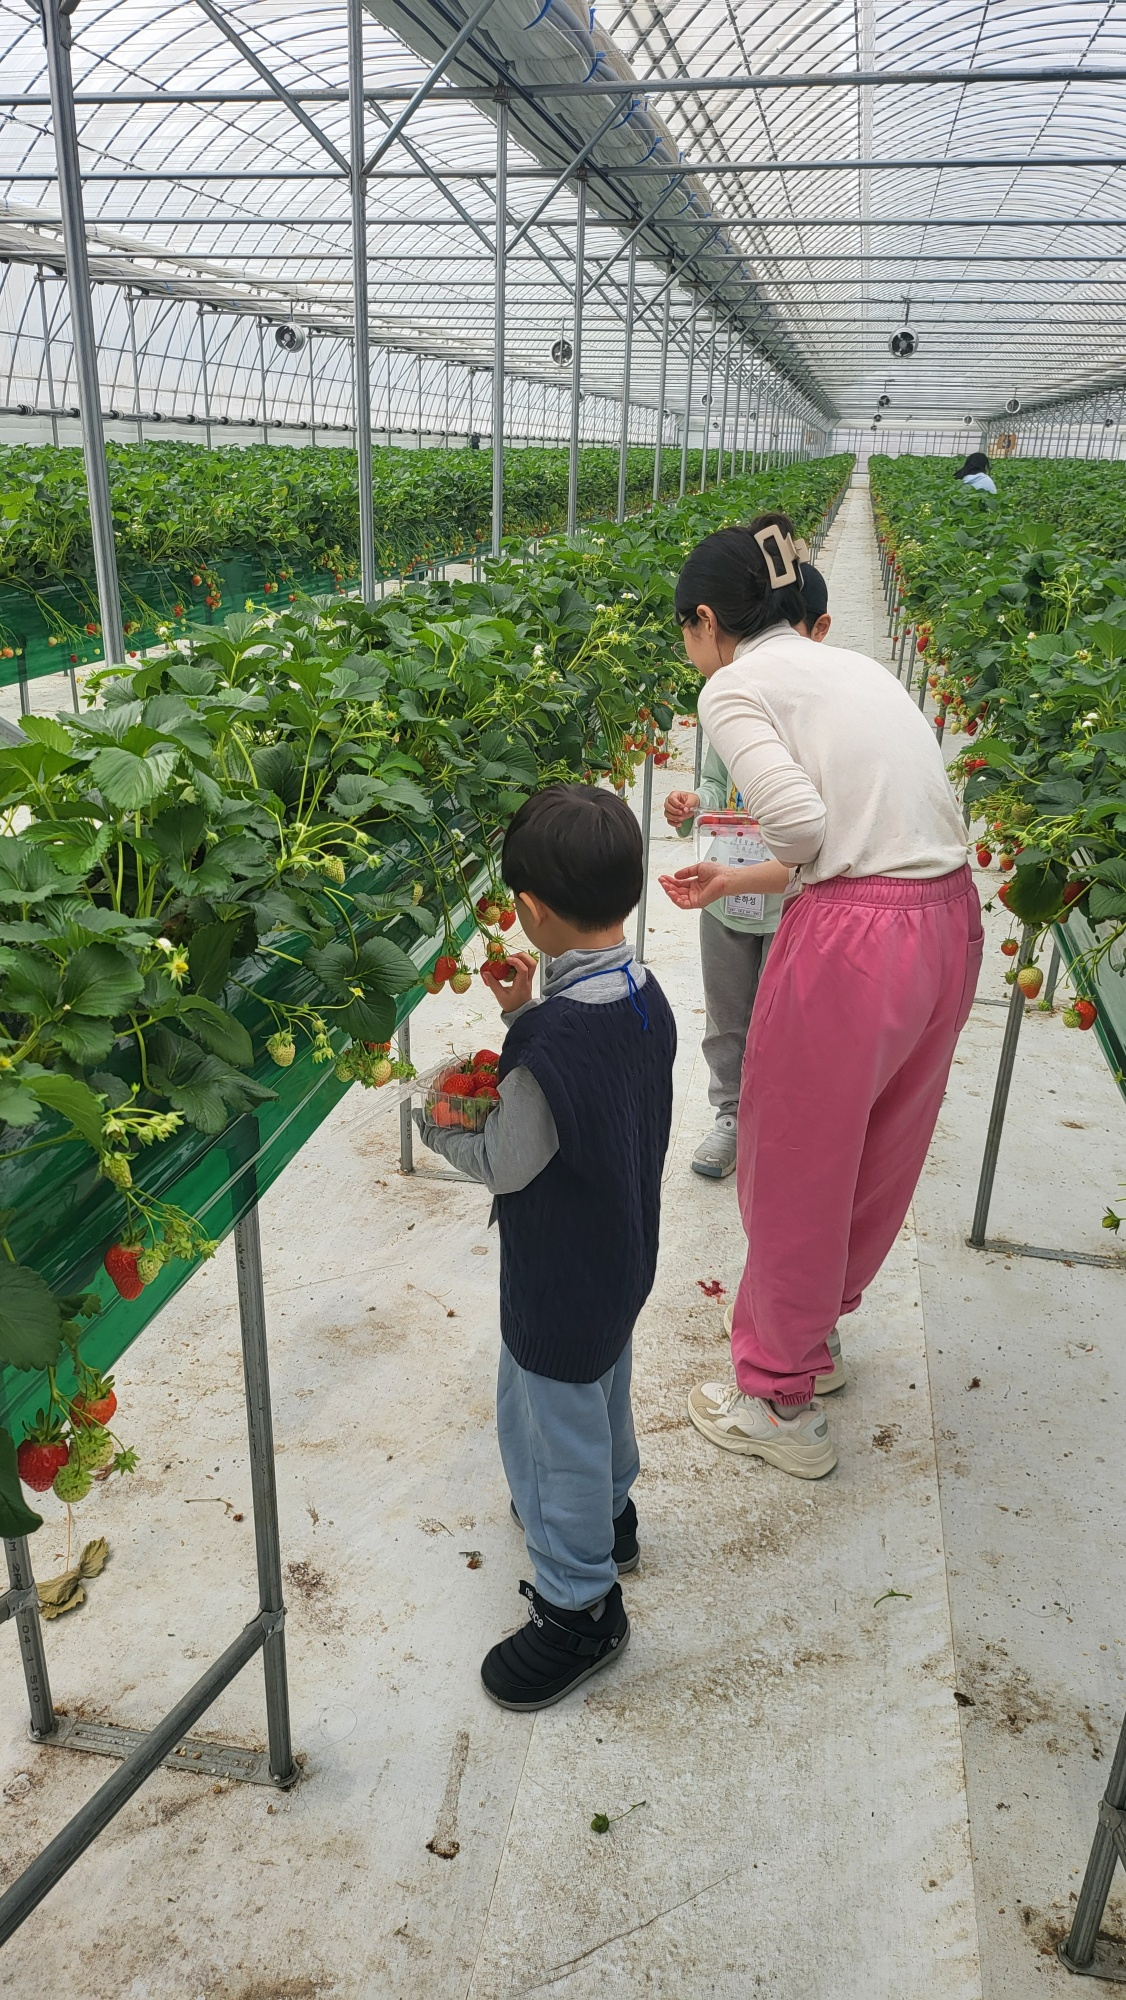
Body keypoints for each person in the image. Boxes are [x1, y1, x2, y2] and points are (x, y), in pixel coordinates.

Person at [658, 514, 979, 1482]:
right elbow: (864, 836)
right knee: (877, 1145)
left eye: (684, 631)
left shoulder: (732, 684)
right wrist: (738, 878)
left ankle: (775, 1399)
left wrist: (765, 855)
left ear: (705, 619)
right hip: (945, 919)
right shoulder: (845, 667)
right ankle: (814, 1335)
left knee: (794, 1157)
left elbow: (801, 826)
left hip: (855, 944)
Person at [416, 785, 677, 1709]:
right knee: (602, 1397)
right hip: (622, 1255)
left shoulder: (548, 1042)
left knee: (549, 1427)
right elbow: (589, 1087)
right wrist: (522, 1013)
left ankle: (579, 1604)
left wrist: (437, 1121)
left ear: (528, 909)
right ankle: (611, 1516)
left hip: (559, 1277)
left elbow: (509, 1157)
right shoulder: (646, 994)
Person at [663, 561, 832, 1179]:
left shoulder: (815, 714)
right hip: (724, 887)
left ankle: (776, 1118)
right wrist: (693, 805)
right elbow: (715, 785)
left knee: (783, 1014)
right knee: (727, 1011)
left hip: (792, 896)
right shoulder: (725, 708)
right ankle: (730, 1115)